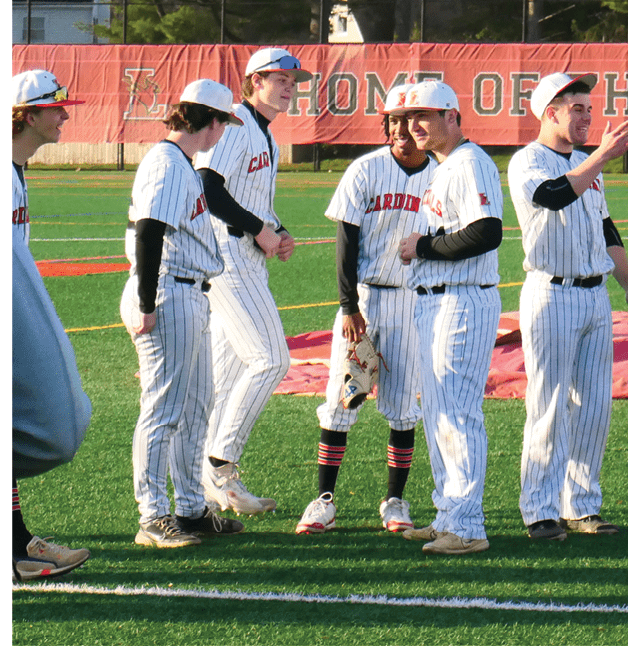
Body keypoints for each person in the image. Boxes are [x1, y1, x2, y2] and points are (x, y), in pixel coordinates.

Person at [509, 72, 628, 541]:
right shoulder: (528, 160)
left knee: (593, 407)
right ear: (550, 113)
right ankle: (539, 508)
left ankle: (582, 505)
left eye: (589, 107)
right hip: (551, 293)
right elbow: (552, 197)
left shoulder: (590, 163)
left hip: (594, 295)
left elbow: (607, 228)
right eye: (577, 108)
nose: (588, 116)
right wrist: (604, 155)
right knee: (548, 404)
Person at [295, 82, 434, 535]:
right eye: (393, 122)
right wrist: (348, 305)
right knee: (341, 398)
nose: (400, 131)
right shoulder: (365, 170)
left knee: (401, 407)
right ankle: (324, 500)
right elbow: (345, 244)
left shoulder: (443, 173)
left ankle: (395, 500)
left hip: (416, 302)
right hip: (367, 299)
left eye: (409, 123)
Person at [121, 79, 247, 548]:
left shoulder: (182, 164)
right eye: (223, 123)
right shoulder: (167, 162)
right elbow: (149, 231)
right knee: (163, 409)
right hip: (167, 292)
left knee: (196, 407)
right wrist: (147, 303)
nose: (224, 132)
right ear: (209, 122)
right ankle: (152, 517)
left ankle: (191, 509)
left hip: (188, 293)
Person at [194, 47, 312, 515]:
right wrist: (258, 229)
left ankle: (211, 487)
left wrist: (276, 228)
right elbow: (208, 186)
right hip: (226, 257)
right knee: (271, 358)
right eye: (279, 79)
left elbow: (253, 198)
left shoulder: (267, 136)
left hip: (244, 256)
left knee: (229, 375)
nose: (289, 86)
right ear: (253, 81)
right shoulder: (237, 123)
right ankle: (222, 461)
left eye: (293, 80)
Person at [396, 80, 503, 555]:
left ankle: (467, 526)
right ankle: (448, 515)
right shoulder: (444, 166)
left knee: (457, 413)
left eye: (426, 115)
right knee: (439, 413)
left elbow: (486, 232)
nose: (414, 126)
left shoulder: (469, 162)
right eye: (408, 117)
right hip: (438, 299)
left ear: (453, 117)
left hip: (463, 299)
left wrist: (423, 246)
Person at [11, 69, 92, 580]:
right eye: (55, 107)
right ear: (28, 114)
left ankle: (17, 543)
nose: (64, 115)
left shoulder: (15, 171)